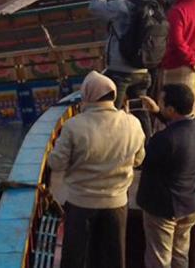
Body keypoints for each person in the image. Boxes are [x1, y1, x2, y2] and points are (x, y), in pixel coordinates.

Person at [48, 71, 146, 268]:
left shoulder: (74, 126)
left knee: (75, 257)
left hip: (80, 202)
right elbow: (138, 159)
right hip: (116, 202)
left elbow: (56, 163)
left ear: (88, 95)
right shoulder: (133, 123)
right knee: (113, 257)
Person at [137, 84, 195, 268]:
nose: (159, 104)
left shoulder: (164, 140)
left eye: (162, 103)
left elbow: (142, 161)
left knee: (159, 259)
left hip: (164, 208)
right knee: (180, 254)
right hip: (190, 203)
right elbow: (179, 125)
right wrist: (157, 112)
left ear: (171, 109)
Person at [90, 0, 155, 133]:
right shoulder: (149, 3)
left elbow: (95, 7)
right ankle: (147, 147)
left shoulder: (121, 6)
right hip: (142, 69)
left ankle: (114, 149)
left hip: (120, 72)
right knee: (140, 112)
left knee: (111, 114)